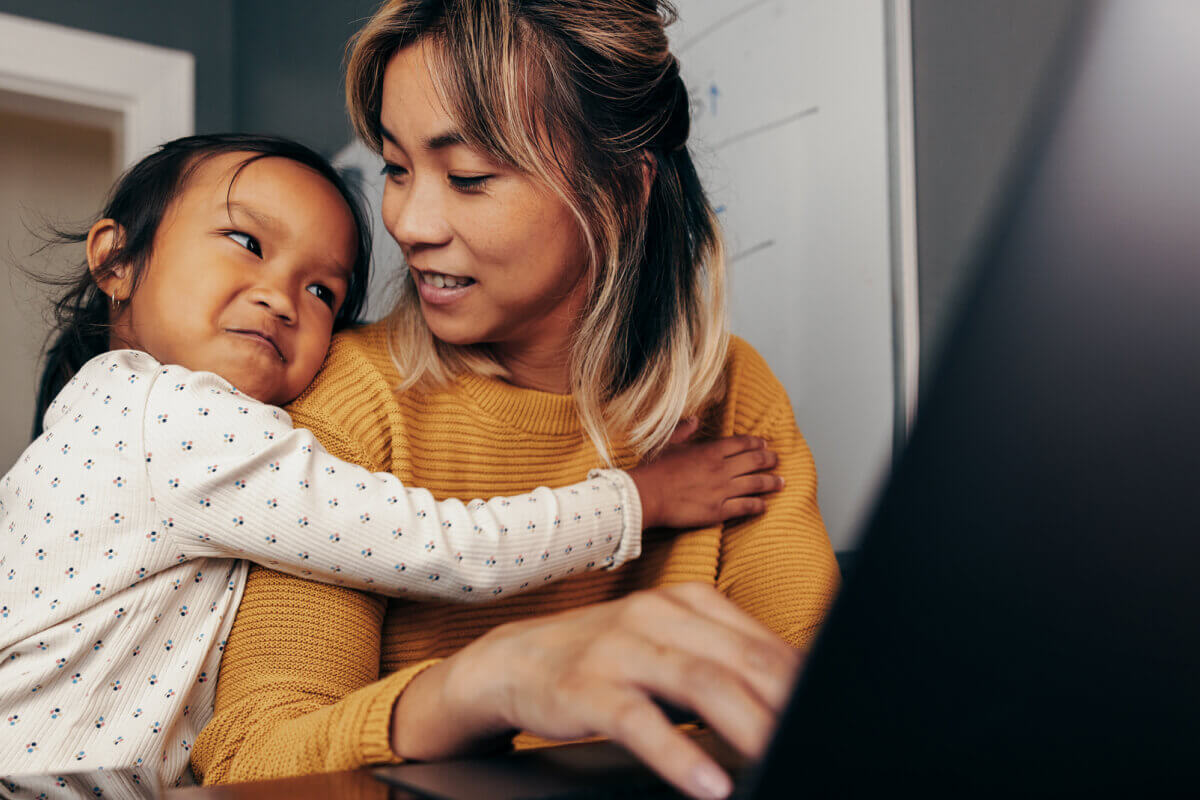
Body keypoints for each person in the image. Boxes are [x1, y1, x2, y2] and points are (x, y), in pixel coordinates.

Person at [191, 2, 841, 799]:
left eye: (468, 177)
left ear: (621, 191)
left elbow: (821, 701)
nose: (409, 222)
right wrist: (482, 683)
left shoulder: (731, 390)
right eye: (396, 169)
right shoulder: (352, 402)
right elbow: (250, 759)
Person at [0, 133, 782, 786]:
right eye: (246, 242)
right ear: (116, 261)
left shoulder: (110, 410)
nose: (280, 296)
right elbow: (439, 544)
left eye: (322, 293)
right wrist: (636, 502)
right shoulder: (170, 416)